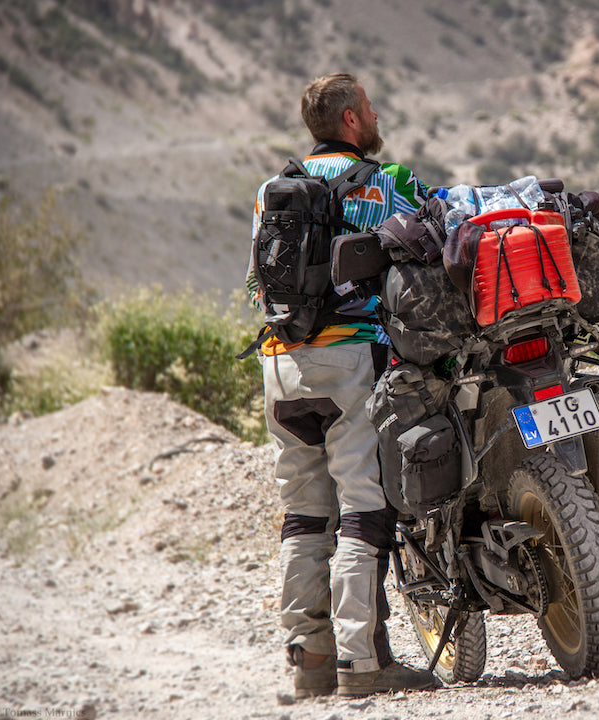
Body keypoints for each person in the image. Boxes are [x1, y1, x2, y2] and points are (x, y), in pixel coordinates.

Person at [246, 72, 437, 699]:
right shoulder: (383, 184)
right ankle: (361, 664)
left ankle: (308, 664)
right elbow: (428, 235)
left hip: (279, 366)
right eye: (372, 109)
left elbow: (257, 285)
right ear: (352, 121)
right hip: (349, 361)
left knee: (303, 516)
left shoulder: (269, 193)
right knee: (362, 507)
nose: (378, 117)